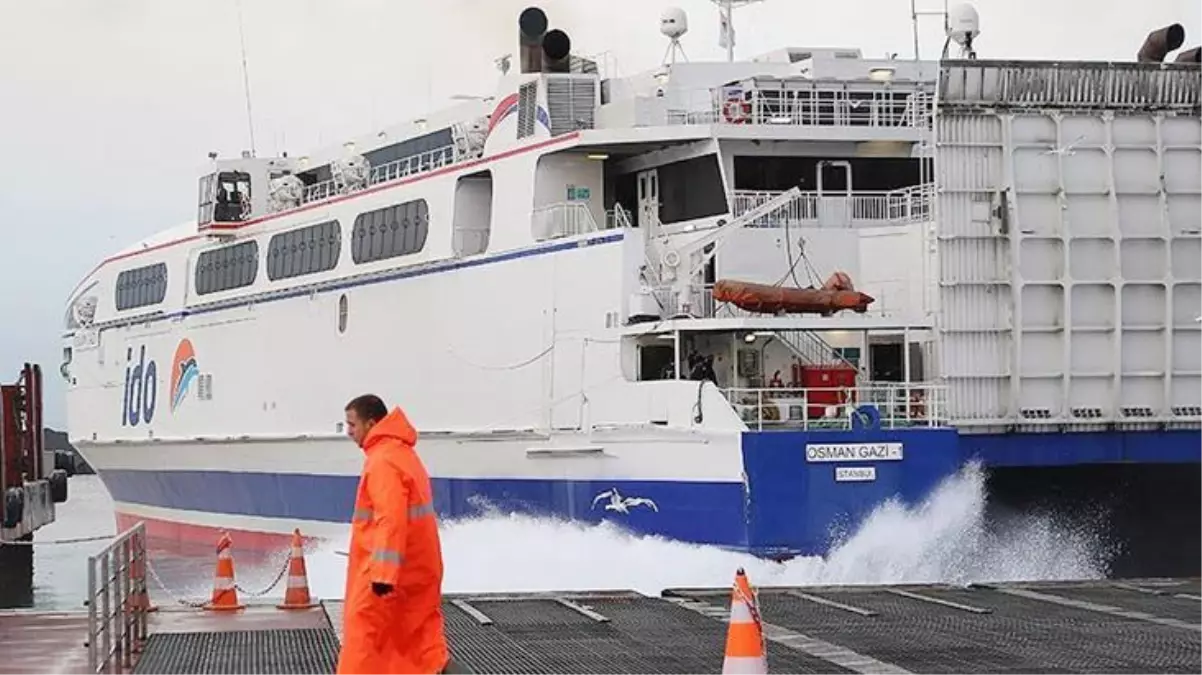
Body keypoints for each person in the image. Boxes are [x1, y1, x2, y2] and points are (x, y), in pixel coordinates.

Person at [336, 394, 452, 675]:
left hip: (386, 578)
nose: (348, 432)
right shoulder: (403, 453)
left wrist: (382, 576)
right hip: (417, 570)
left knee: (364, 643)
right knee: (421, 645)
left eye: (352, 425)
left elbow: (391, 518)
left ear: (371, 423)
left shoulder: (383, 461)